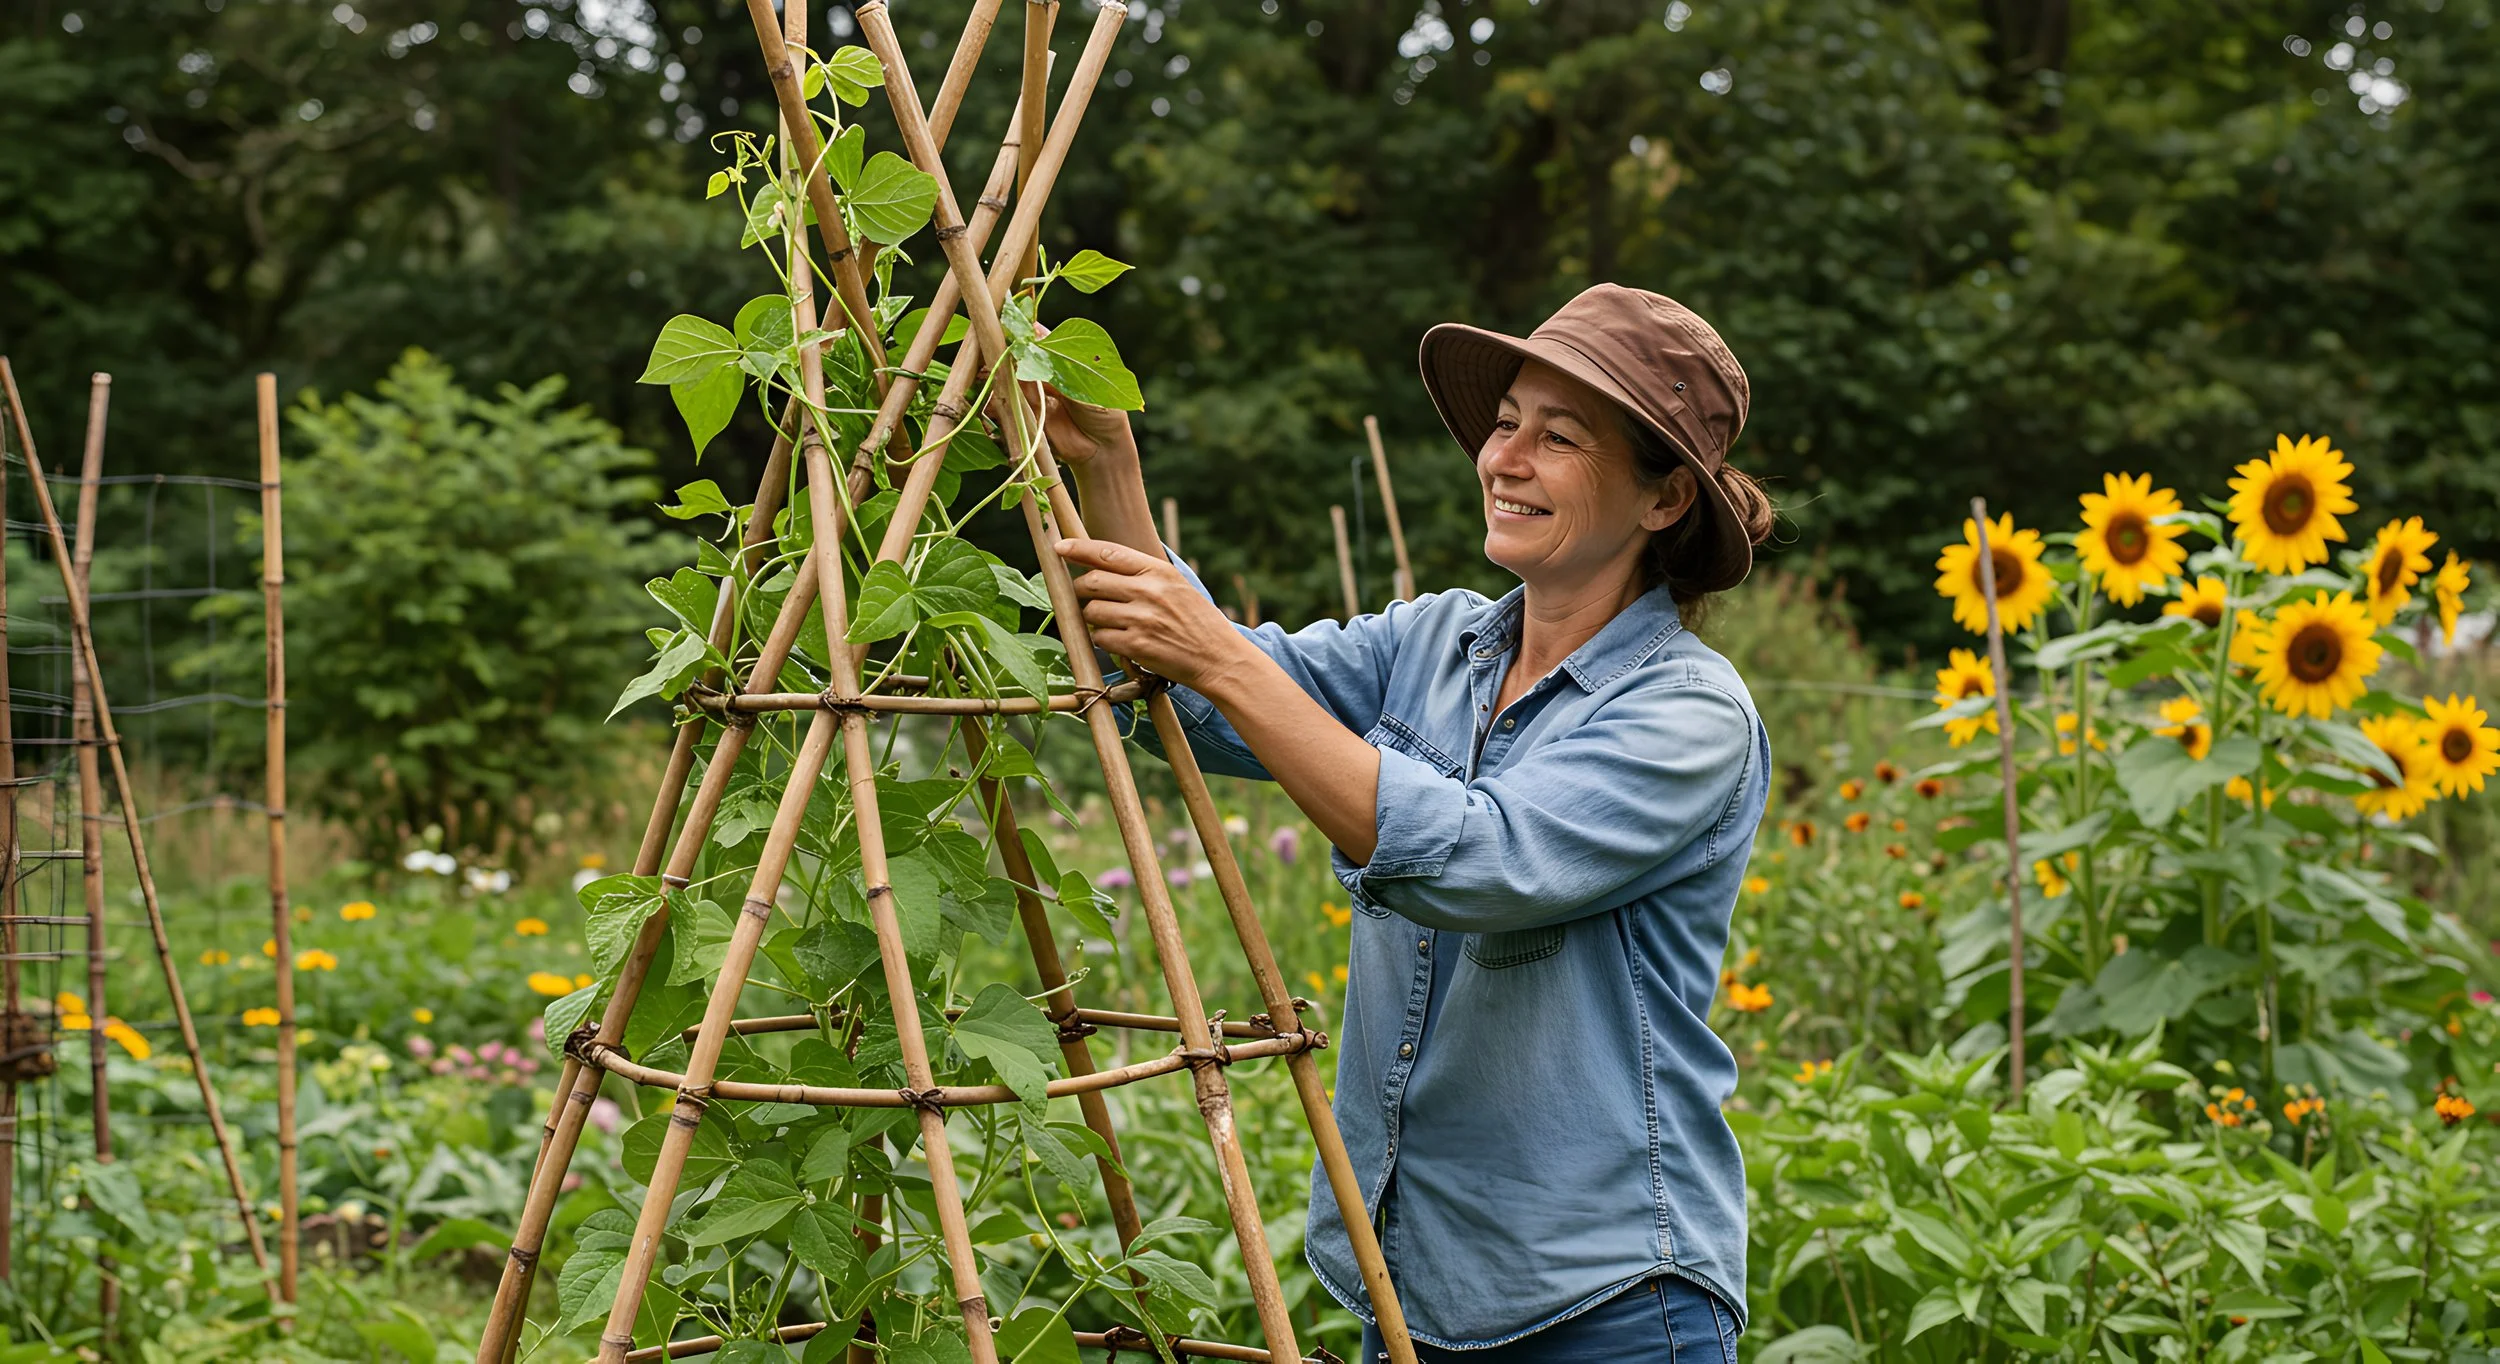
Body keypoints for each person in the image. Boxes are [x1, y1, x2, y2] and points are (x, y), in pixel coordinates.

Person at [1044, 284, 1775, 1361]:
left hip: (1607, 1299)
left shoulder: (1686, 711)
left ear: (1663, 501)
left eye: (1557, 436)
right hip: (1415, 1287)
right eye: (1506, 421)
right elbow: (1196, 700)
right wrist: (1105, 462)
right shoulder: (1431, 643)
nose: (1505, 456)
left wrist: (1219, 653)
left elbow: (1482, 859)